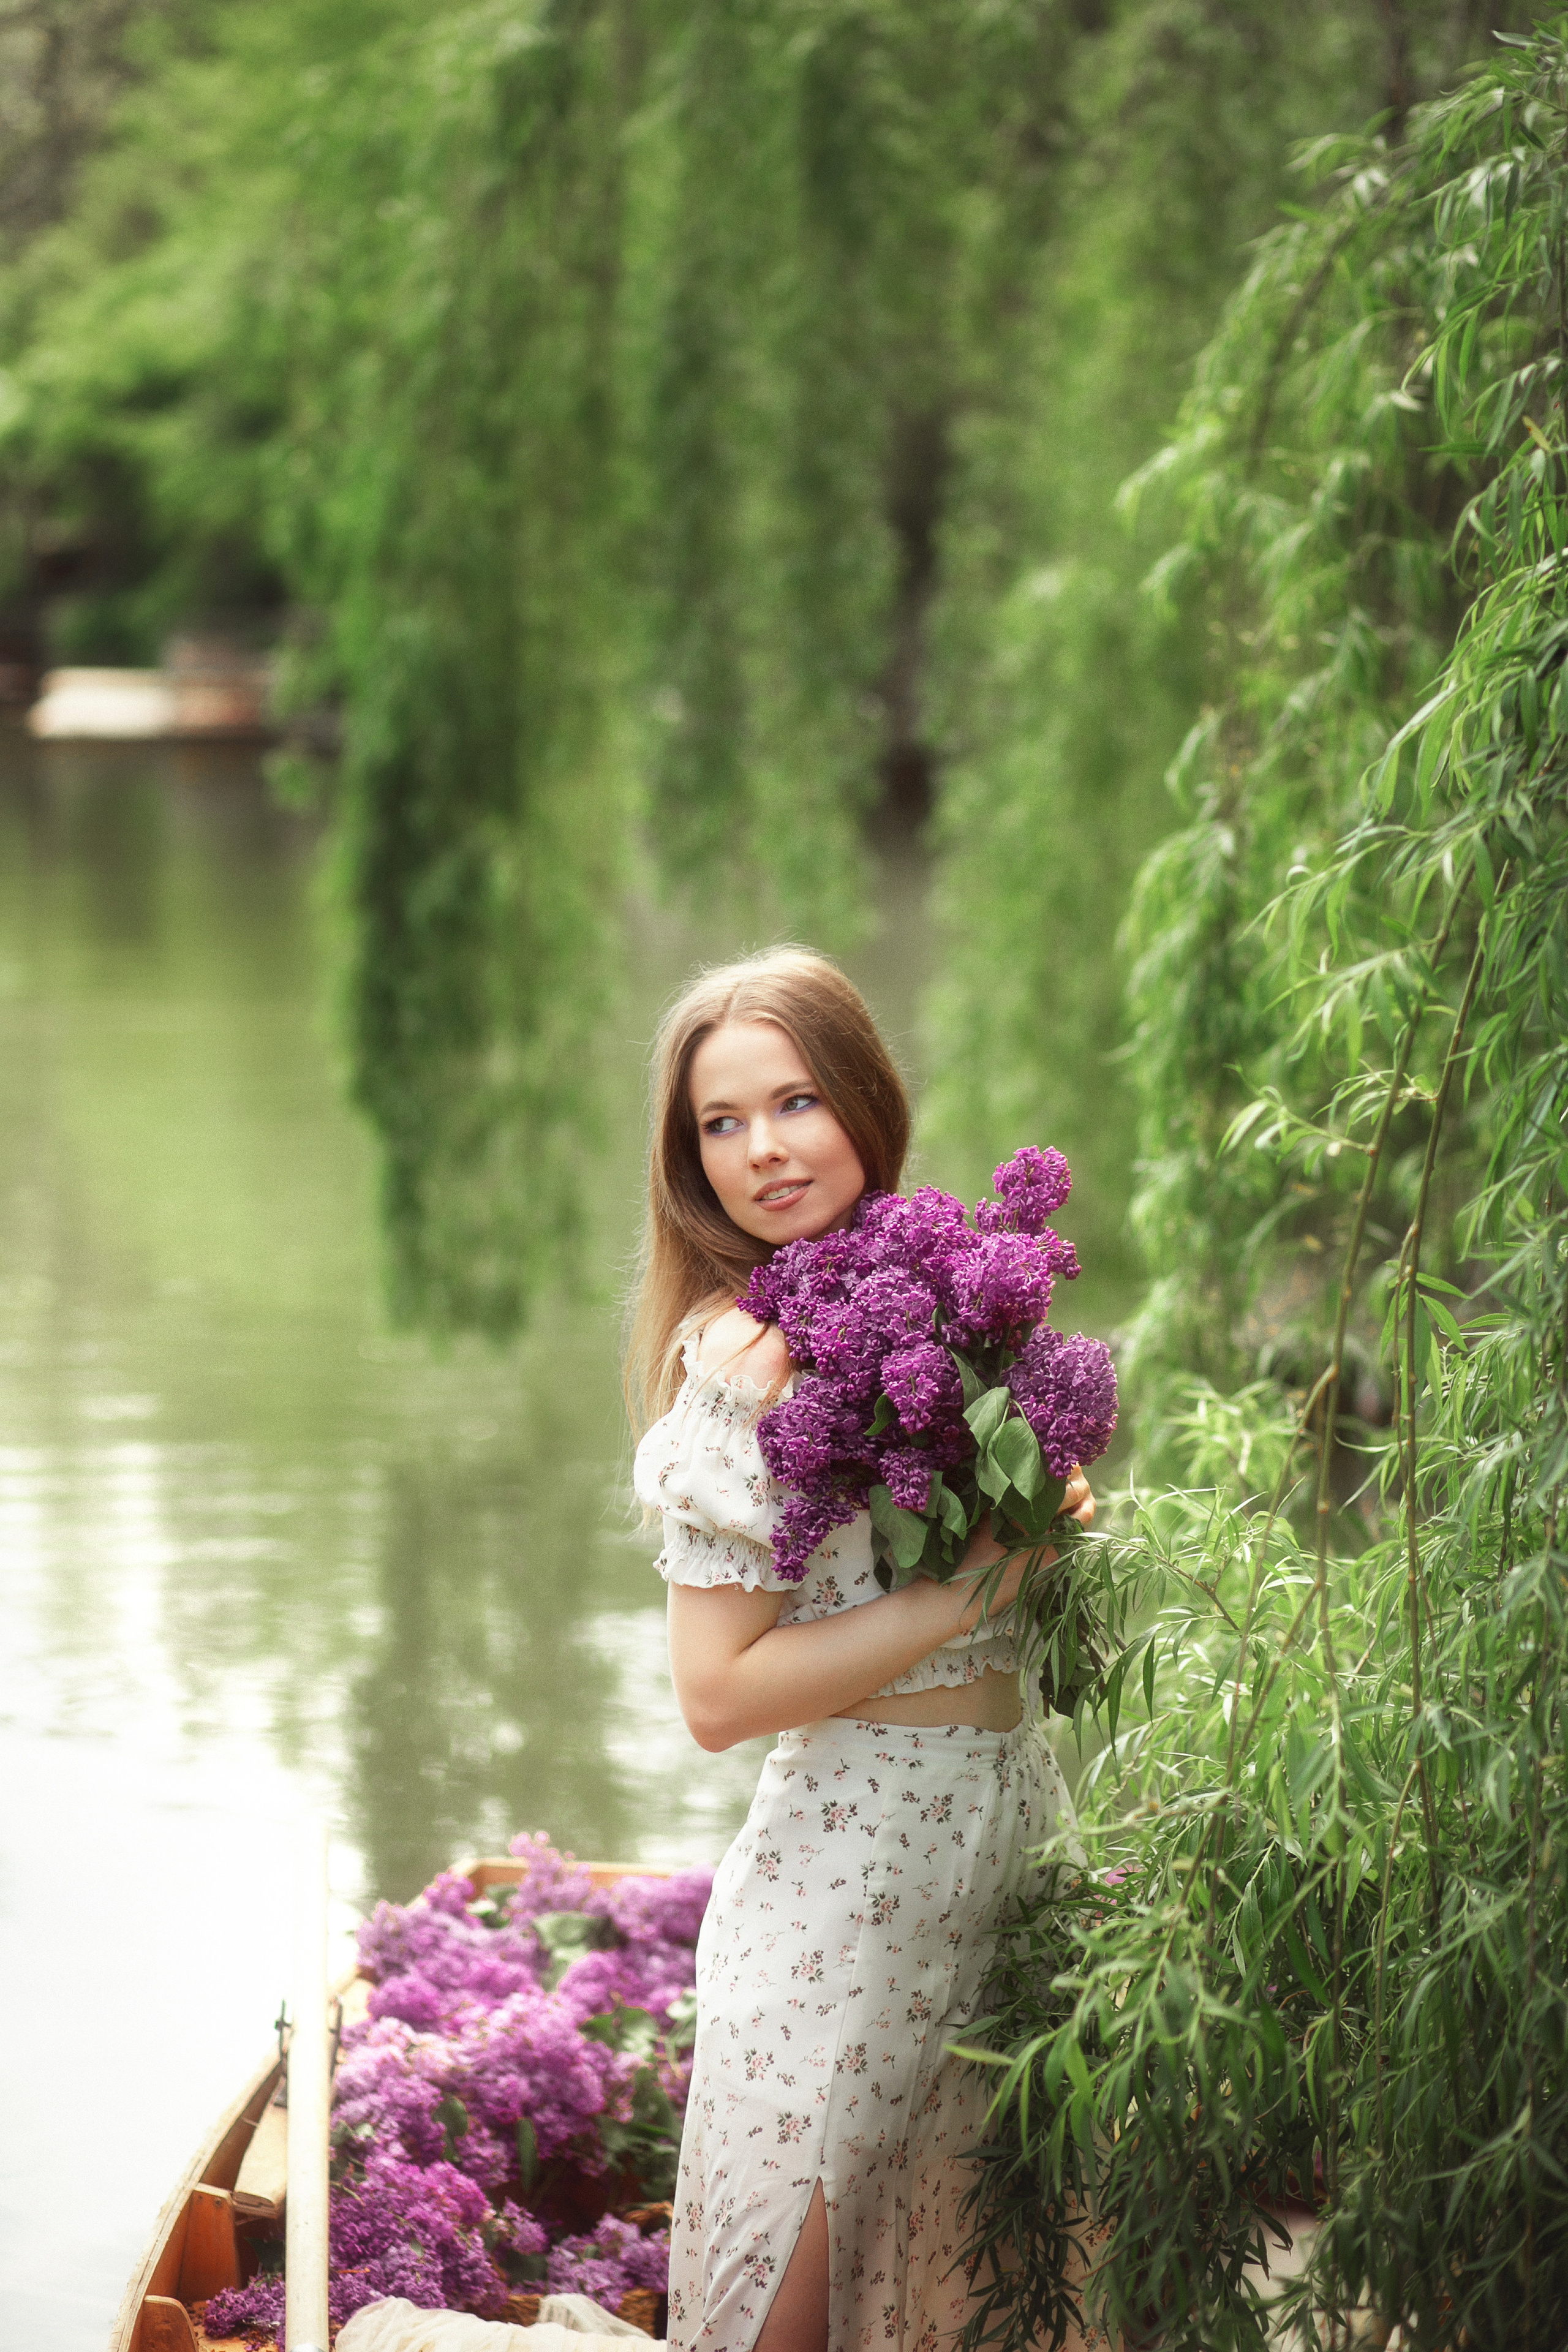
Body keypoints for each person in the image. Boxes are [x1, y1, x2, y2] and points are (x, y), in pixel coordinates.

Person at [627, 948, 1095, 2352]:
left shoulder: (957, 1308)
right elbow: (715, 1698)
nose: (762, 1151)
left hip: (1008, 1856)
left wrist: (1048, 1515)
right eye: (721, 1122)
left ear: (864, 1106)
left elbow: (1021, 1599)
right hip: (847, 1890)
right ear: (690, 1156)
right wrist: (970, 1593)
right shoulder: (742, 1367)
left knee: (991, 2298)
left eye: (794, 1103)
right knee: (793, 2314)